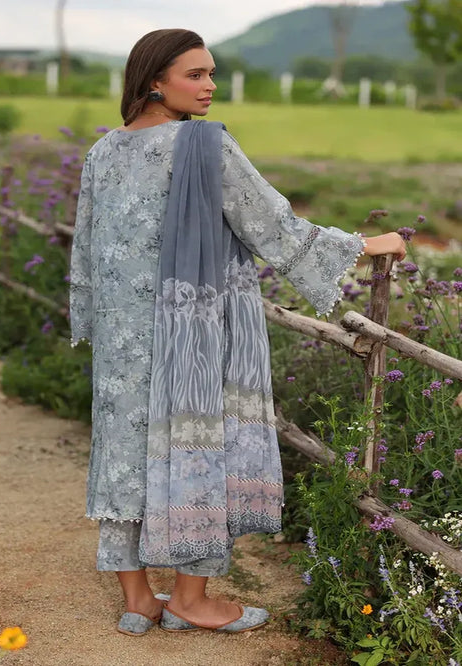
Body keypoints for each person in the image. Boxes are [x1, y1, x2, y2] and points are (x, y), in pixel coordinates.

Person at [69, 28, 406, 636]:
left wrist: (95, 318)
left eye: (212, 74)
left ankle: (139, 600)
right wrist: (365, 244)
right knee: (197, 443)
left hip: (123, 337)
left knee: (124, 453)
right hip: (189, 329)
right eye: (195, 74)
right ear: (155, 80)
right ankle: (190, 598)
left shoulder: (104, 151)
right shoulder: (205, 145)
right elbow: (272, 224)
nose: (209, 87)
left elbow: (87, 250)